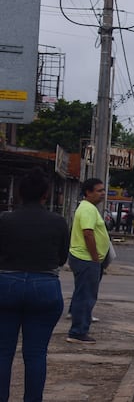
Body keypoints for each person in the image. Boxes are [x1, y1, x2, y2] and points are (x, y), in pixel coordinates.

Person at [0, 170, 70, 402]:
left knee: (3, 353)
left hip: (6, 285)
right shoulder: (58, 222)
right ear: (45, 194)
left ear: (19, 194)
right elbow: (62, 258)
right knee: (36, 353)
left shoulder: (5, 220)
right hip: (45, 287)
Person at [66, 178, 110, 344]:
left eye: (103, 190)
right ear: (88, 192)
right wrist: (95, 257)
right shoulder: (87, 209)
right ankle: (78, 332)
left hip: (86, 258)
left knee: (82, 294)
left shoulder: (89, 208)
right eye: (99, 191)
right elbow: (88, 233)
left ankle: (78, 328)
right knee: (86, 296)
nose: (102, 194)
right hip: (86, 258)